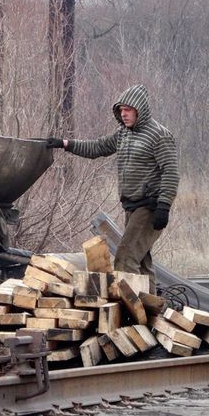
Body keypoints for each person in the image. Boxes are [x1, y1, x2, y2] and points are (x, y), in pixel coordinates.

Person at [46, 84, 179, 293]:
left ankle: (134, 316)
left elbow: (171, 172)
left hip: (150, 207)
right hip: (132, 206)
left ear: (140, 110)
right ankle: (153, 314)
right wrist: (65, 144)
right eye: (121, 110)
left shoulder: (159, 135)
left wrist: (164, 206)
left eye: (128, 110)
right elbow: (98, 147)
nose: (123, 114)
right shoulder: (124, 134)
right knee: (141, 263)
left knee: (125, 259)